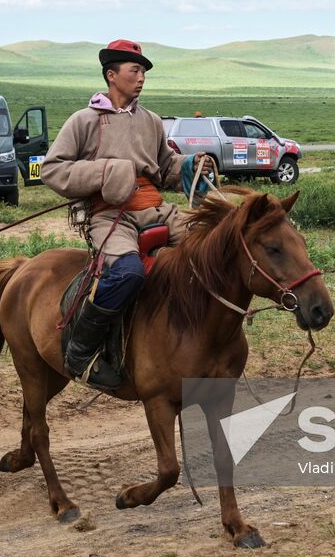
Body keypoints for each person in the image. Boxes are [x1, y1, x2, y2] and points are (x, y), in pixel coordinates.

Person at [41, 39, 212, 385]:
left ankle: (199, 345)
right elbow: (53, 170)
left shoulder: (150, 121)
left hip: (155, 208)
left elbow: (164, 168)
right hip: (109, 215)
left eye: (144, 72)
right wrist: (106, 173)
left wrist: (191, 165)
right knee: (129, 273)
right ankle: (82, 349)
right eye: (135, 70)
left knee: (210, 250)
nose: (141, 78)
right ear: (111, 75)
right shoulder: (84, 121)